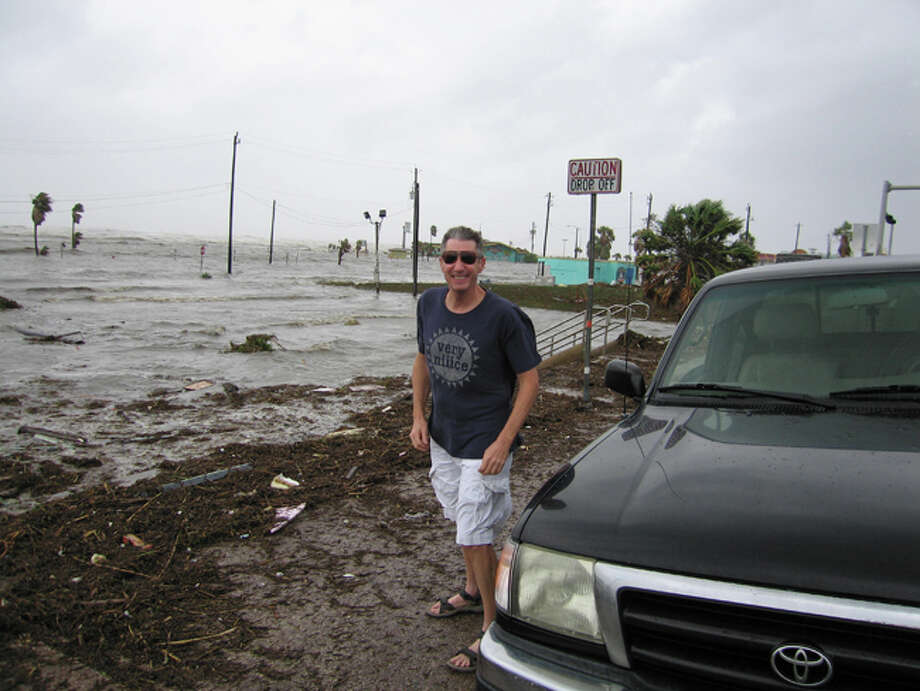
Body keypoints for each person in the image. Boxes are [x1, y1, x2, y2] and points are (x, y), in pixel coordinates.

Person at [409, 226, 541, 673]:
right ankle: (471, 591)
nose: (458, 266)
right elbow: (423, 359)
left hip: (485, 441)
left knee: (475, 530)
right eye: (450, 258)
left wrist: (504, 441)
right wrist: (418, 417)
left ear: (482, 263)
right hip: (445, 437)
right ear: (440, 262)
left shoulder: (505, 317)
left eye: (468, 258)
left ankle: (490, 626)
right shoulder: (428, 303)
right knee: (460, 518)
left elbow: (529, 380)